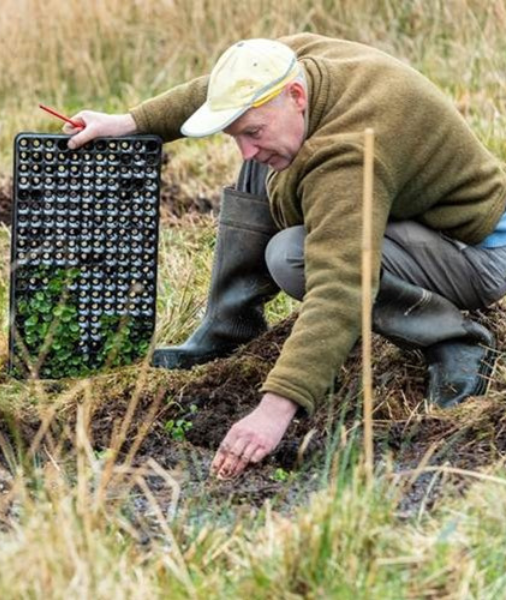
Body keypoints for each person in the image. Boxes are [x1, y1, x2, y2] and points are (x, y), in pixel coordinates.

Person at [64, 35, 506, 479]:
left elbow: (343, 284)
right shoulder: (296, 66)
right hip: (415, 218)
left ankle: (453, 340)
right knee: (264, 157)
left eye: (252, 131)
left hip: (476, 253)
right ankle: (229, 328)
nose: (245, 147)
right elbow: (217, 93)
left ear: (296, 96)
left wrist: (275, 409)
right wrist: (129, 121)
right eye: (236, 134)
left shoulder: (346, 154)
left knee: (293, 255)